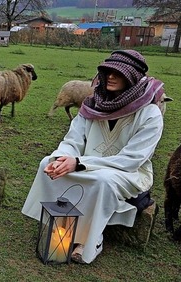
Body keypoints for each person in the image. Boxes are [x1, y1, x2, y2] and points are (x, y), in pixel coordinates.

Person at [21, 50, 165, 264]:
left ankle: (90, 240)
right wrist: (62, 157)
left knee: (102, 181)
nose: (110, 77)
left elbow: (132, 160)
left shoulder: (149, 114)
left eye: (118, 73)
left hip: (127, 172)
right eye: (107, 72)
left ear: (133, 76)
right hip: (82, 164)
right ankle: (58, 224)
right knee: (47, 163)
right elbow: (73, 141)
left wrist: (79, 163)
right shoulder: (92, 105)